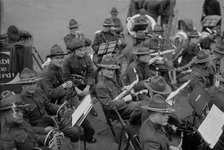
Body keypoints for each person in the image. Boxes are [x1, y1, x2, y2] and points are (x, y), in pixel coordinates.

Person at [40, 44, 96, 143]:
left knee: (84, 118)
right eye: (57, 58)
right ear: (51, 59)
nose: (60, 60)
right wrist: (64, 86)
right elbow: (49, 94)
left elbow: (68, 84)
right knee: (76, 128)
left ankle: (88, 136)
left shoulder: (61, 69)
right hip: (56, 106)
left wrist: (73, 86)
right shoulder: (46, 74)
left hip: (68, 99)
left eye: (61, 58)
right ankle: (79, 138)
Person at [17, 68, 82, 144]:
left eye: (34, 83)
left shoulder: (39, 91)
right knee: (54, 141)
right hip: (39, 130)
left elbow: (49, 106)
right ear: (22, 85)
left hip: (51, 121)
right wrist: (43, 130)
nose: (32, 86)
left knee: (75, 131)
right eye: (28, 84)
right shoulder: (20, 103)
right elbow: (26, 127)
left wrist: (63, 109)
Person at [95, 55, 140, 120]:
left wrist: (123, 89)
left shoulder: (110, 78)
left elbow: (116, 92)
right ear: (102, 70)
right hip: (117, 112)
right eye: (109, 70)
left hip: (122, 104)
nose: (111, 73)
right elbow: (109, 106)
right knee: (141, 107)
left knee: (142, 104)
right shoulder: (101, 86)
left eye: (112, 70)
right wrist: (125, 99)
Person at [63, 38, 98, 116]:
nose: (83, 52)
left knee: (94, 90)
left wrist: (88, 86)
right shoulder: (67, 60)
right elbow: (66, 77)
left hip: (84, 81)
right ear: (75, 51)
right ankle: (80, 110)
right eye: (80, 50)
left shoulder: (87, 57)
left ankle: (90, 106)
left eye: (84, 50)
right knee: (77, 103)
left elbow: (90, 73)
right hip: (72, 84)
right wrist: (75, 89)